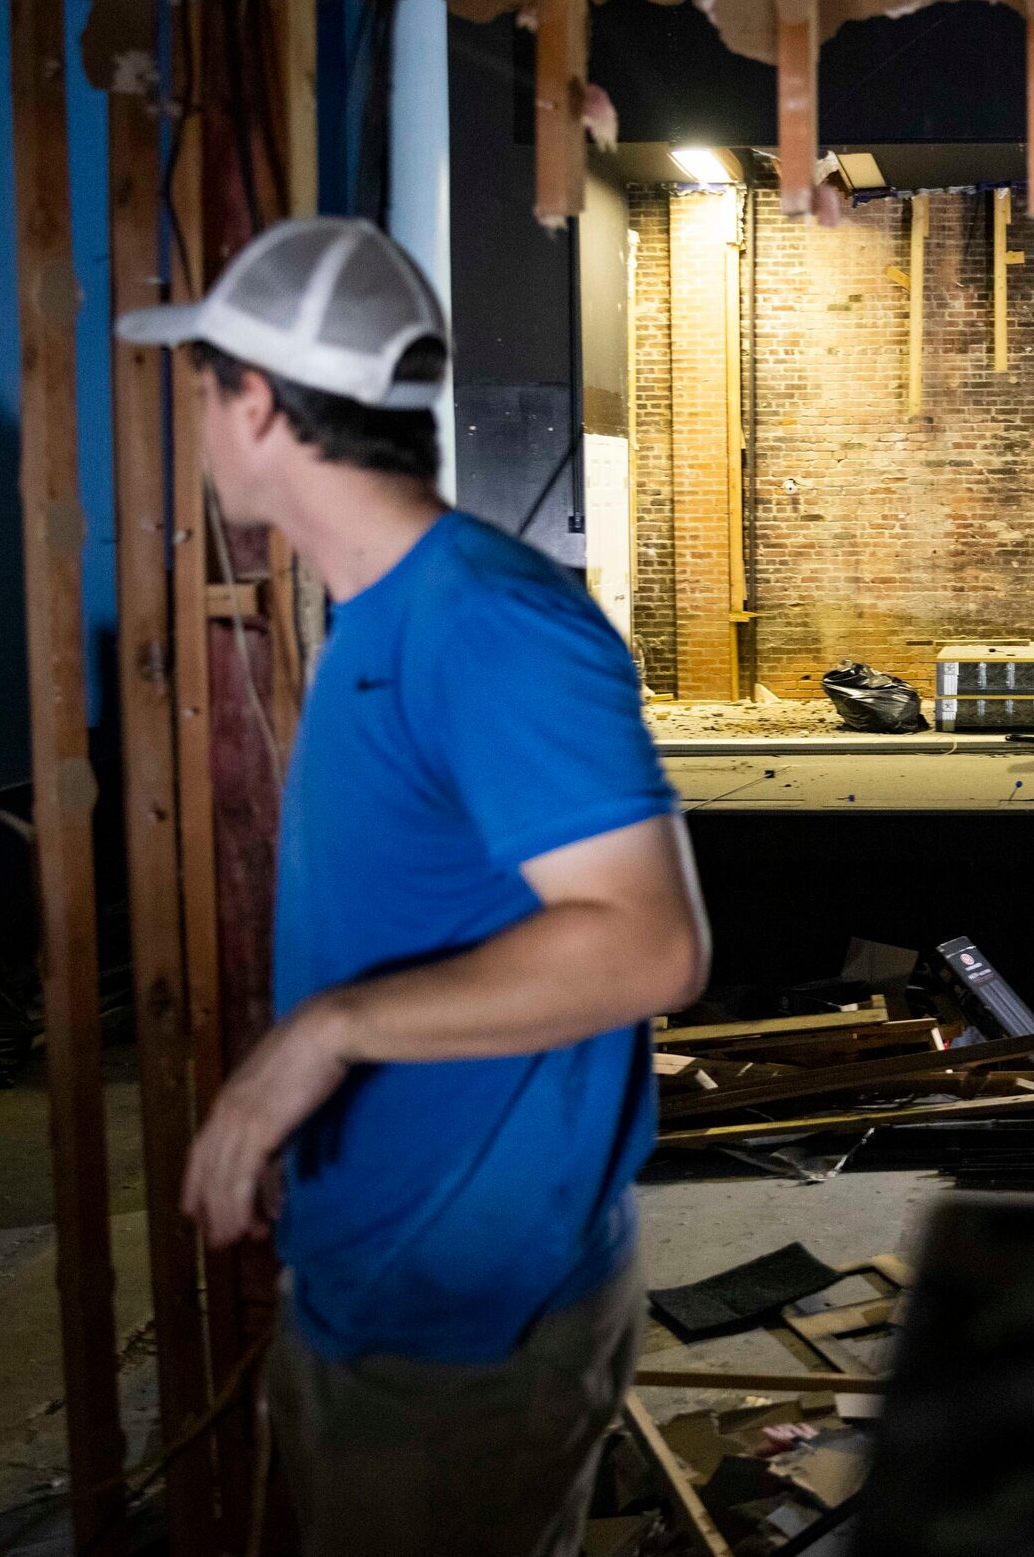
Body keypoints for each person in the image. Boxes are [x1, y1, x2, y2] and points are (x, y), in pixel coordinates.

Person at [118, 218, 711, 1557]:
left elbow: (650, 944)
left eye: (205, 388)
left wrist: (316, 1044)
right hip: (377, 1280)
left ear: (259, 403)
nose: (197, 423)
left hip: (469, 1326)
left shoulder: (486, 625)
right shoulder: (378, 616)